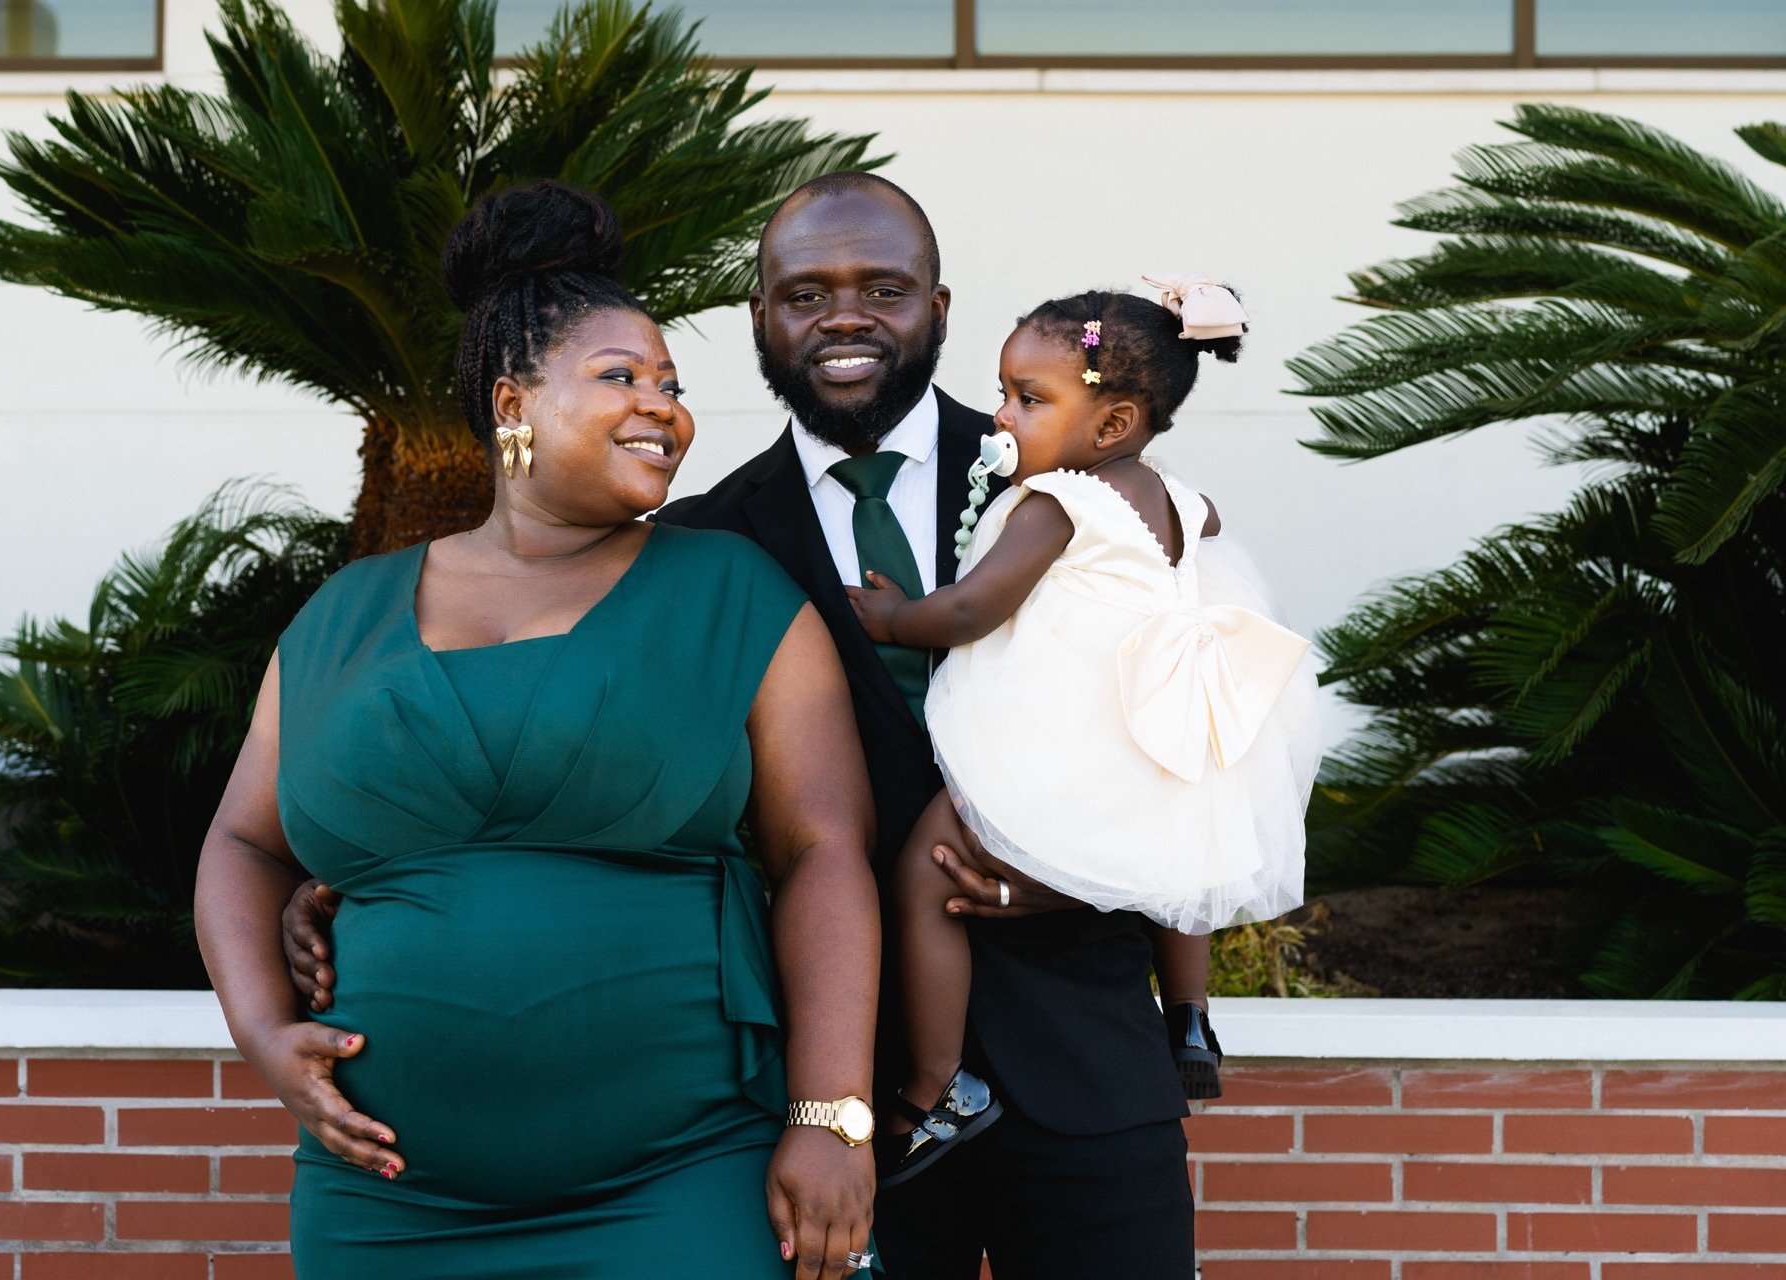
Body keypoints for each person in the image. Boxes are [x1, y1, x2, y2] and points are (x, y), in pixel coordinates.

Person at [286, 173, 1203, 1278]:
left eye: (885, 288)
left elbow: (1200, 730)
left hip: (1081, 1055)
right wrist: (359, 864)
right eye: (806, 293)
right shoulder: (694, 546)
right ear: (760, 320)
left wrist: (1079, 874)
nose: (846, 316)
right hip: (829, 1100)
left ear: (941, 309)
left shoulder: (1084, 478)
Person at [194, 181, 883, 1280]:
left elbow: (822, 855)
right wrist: (263, 1034)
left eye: (672, 384)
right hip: (386, 1198)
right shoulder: (345, 615)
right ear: (512, 401)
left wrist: (832, 1112)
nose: (664, 406)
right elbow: (242, 842)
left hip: (680, 1178)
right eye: (621, 377)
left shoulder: (730, 592)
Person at [845, 281, 1322, 1186]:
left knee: (924, 876)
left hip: (1068, 736)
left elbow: (978, 606)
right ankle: (1187, 1015)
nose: (1003, 415)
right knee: (1187, 851)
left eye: (1030, 399)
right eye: (1005, 391)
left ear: (1110, 426)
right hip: (1157, 728)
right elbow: (1210, 522)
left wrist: (896, 618)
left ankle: (937, 1084)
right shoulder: (1177, 497)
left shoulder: (1057, 505)